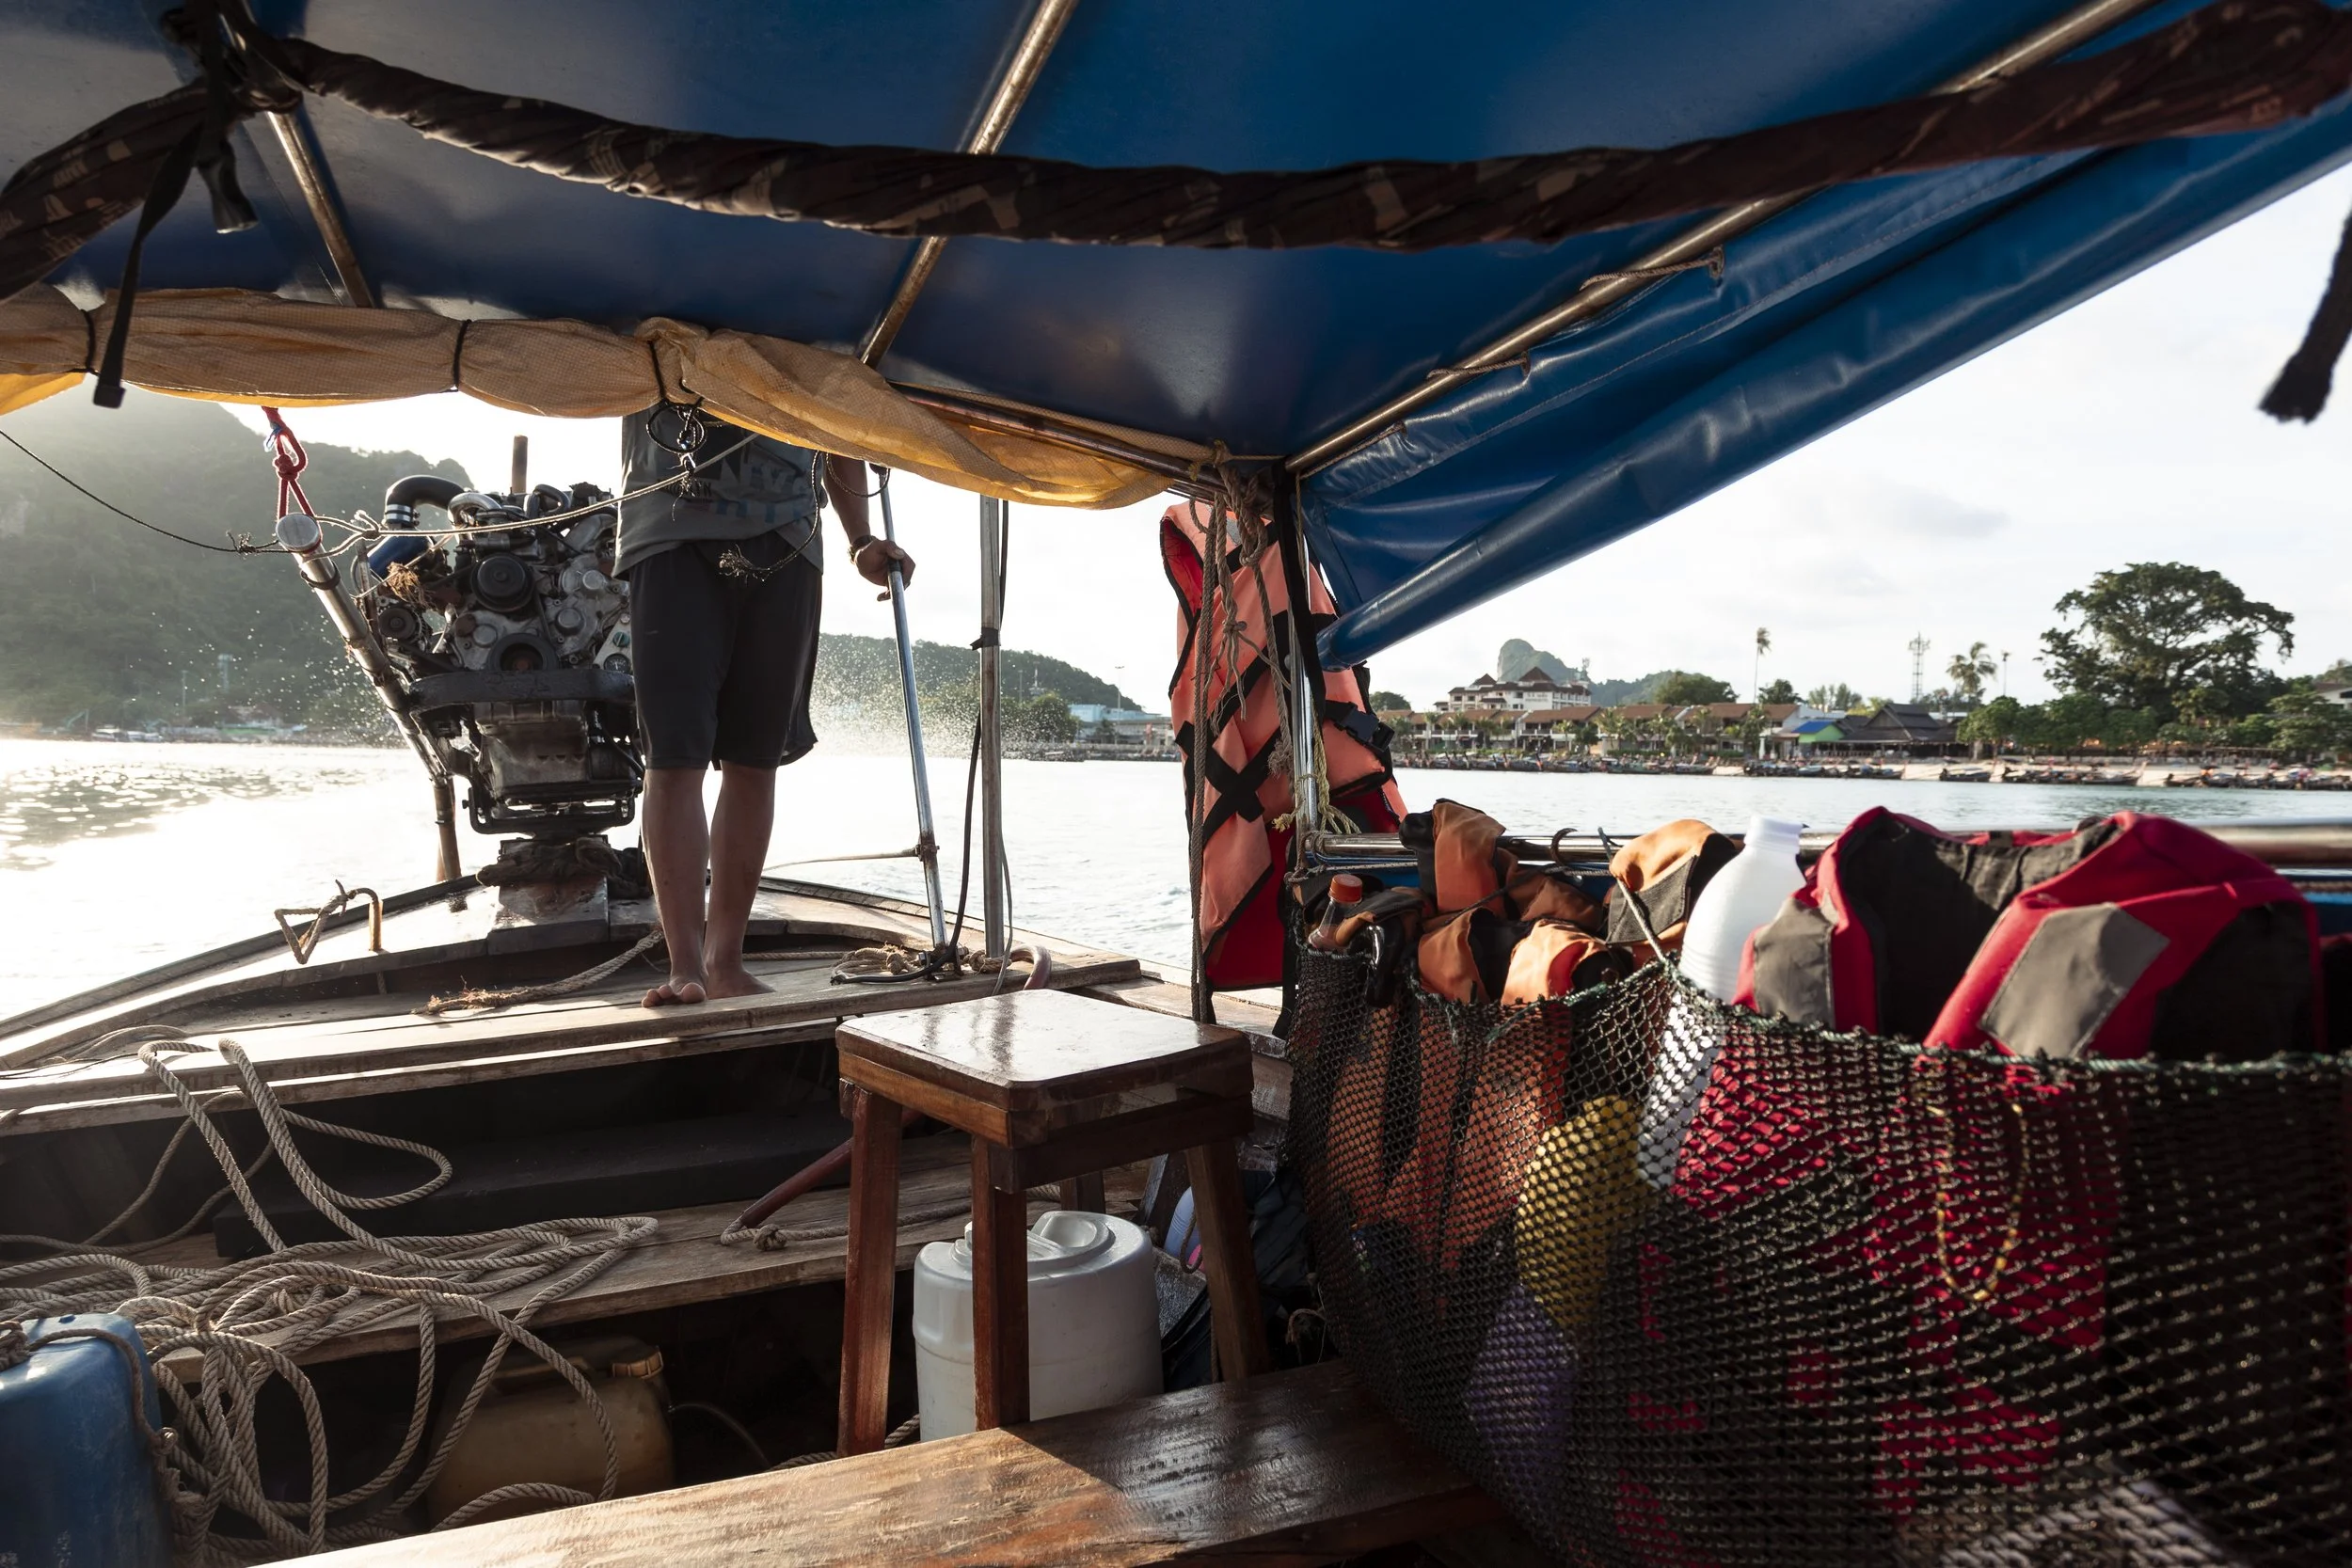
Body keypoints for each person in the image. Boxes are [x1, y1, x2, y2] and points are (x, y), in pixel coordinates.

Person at [615, 404, 914, 1006]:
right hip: (672, 535)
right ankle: (684, 968)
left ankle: (725, 961)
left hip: (789, 544)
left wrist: (861, 540)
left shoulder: (820, 321)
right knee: (676, 755)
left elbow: (837, 417)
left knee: (755, 758)